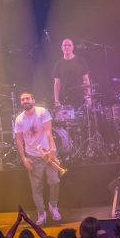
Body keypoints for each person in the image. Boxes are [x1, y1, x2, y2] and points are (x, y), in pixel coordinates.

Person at [14, 91, 61, 225]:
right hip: (32, 156)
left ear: (33, 100)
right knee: (36, 187)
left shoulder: (42, 112)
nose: (25, 101)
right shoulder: (19, 119)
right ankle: (41, 213)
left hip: (47, 152)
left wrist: (52, 150)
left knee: (55, 181)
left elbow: (48, 132)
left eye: (27, 98)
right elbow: (18, 140)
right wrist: (23, 158)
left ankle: (53, 206)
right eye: (22, 100)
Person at [53, 38, 92, 108]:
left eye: (69, 45)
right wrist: (56, 100)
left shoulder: (80, 61)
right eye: (64, 45)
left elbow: (86, 80)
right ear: (61, 48)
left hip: (80, 98)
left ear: (73, 47)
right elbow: (57, 83)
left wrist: (88, 97)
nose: (67, 47)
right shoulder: (58, 64)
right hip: (65, 98)